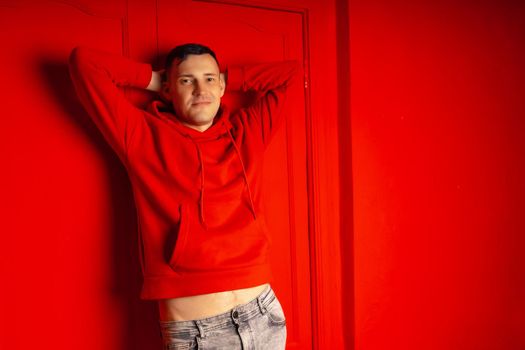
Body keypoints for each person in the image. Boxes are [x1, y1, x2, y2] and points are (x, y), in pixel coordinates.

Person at [68, 43, 300, 349]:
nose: (200, 88)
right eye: (186, 80)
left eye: (209, 78)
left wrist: (226, 79)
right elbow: (85, 62)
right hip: (198, 331)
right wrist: (155, 79)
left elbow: (294, 74)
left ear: (221, 87)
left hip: (264, 315)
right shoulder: (141, 136)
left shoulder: (247, 133)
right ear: (167, 90)